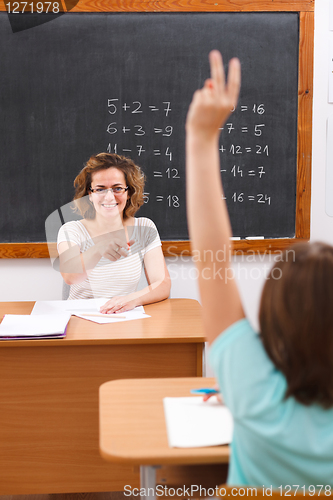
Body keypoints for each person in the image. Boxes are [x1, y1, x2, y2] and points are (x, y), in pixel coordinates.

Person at [186, 50, 333, 487]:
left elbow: (212, 263)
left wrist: (200, 137)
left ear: (271, 316)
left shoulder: (250, 387)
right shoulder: (247, 384)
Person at [57, 153, 170, 313]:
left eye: (117, 188)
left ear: (128, 192)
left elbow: (162, 284)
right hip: (81, 320)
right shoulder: (72, 230)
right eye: (100, 189)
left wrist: (132, 300)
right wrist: (99, 247)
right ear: (90, 194)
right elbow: (70, 275)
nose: (109, 197)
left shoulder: (144, 227)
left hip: (124, 316)